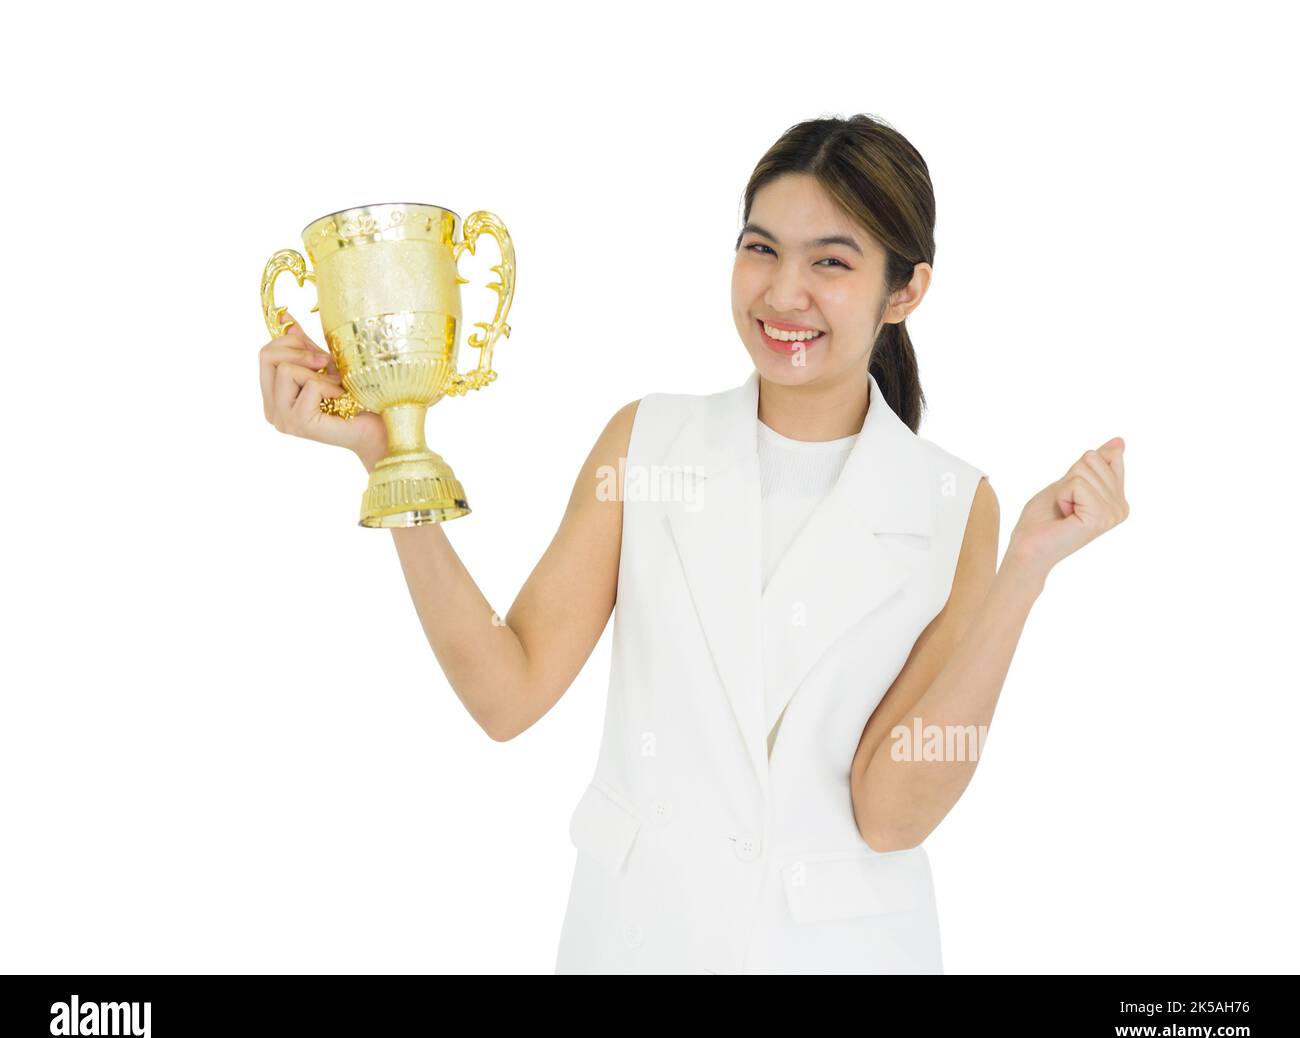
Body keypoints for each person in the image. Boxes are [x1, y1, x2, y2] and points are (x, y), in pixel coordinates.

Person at [258, 113, 1129, 974]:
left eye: (831, 260)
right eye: (761, 249)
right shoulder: (647, 444)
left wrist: (1025, 571)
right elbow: (506, 692)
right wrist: (392, 455)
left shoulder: (951, 503)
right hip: (637, 943)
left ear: (905, 292)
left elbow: (890, 812)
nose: (784, 293)